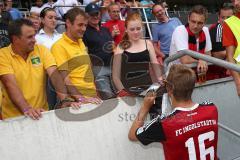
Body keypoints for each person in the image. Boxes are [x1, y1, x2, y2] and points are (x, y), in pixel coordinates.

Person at [128, 64, 219, 160]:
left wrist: (145, 107)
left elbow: (132, 135)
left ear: (169, 89)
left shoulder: (164, 123)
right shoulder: (211, 109)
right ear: (193, 85)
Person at [0, 19, 77, 120]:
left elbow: (55, 75)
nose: (34, 40)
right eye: (29, 37)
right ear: (15, 39)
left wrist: (65, 99)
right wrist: (27, 109)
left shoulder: (41, 50)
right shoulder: (3, 55)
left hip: (41, 114)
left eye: (34, 35)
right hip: (13, 119)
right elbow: (10, 84)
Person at [51, 7, 101, 104]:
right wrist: (82, 99)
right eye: (80, 25)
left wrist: (96, 94)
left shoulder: (81, 42)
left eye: (85, 25)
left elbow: (88, 72)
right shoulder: (59, 46)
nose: (83, 29)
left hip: (91, 98)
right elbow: (65, 79)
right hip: (76, 103)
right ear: (68, 23)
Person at [112, 12, 162, 97]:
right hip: (128, 90)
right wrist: (122, 91)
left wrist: (160, 81)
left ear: (142, 28)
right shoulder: (120, 47)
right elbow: (115, 75)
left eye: (138, 29)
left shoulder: (148, 44)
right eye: (132, 29)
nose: (135, 32)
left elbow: (156, 67)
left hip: (147, 89)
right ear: (126, 29)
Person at [83, 3, 115, 100]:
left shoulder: (105, 29)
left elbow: (113, 46)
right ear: (87, 16)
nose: (95, 16)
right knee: (108, 97)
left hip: (113, 66)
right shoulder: (84, 32)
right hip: (98, 69)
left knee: (120, 94)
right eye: (92, 14)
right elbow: (85, 53)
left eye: (97, 14)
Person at [169, 5, 211, 74]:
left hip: (196, 73)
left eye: (200, 23)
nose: (195, 26)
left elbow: (208, 54)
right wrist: (201, 60)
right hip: (177, 74)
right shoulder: (180, 30)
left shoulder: (205, 30)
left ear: (204, 23)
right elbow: (185, 60)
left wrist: (203, 60)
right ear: (188, 19)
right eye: (193, 21)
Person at [223, 0, 240, 96]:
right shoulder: (229, 23)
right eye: (234, 0)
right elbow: (230, 57)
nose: (236, 3)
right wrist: (238, 83)